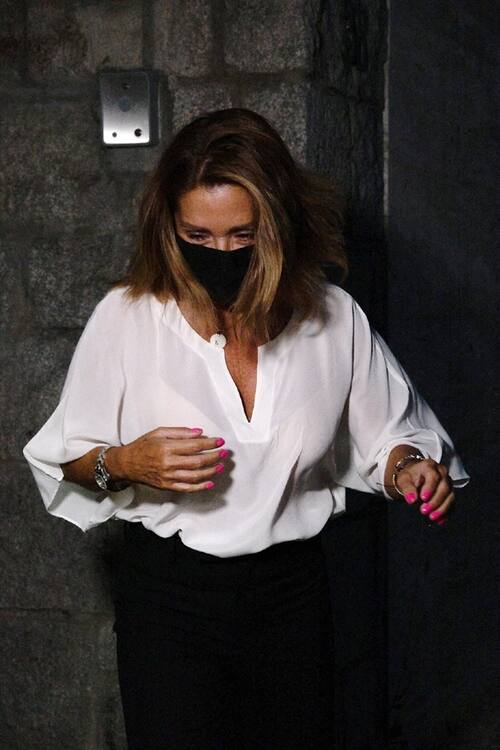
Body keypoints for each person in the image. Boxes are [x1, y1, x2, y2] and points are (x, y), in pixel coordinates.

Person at [23, 108, 470, 749]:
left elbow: (391, 438)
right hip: (170, 600)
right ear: (169, 228)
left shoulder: (334, 318)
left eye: (242, 235)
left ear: (278, 225)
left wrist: (409, 469)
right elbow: (65, 459)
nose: (221, 253)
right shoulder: (127, 317)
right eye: (198, 236)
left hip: (292, 598)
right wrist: (124, 463)